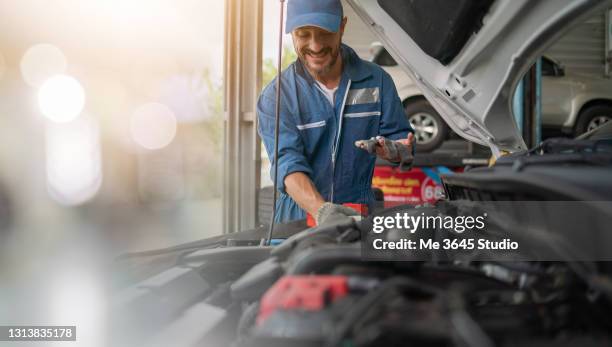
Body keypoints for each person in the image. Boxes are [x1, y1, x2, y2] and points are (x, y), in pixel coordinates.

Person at [257, 0, 414, 225]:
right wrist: (321, 211)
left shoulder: (377, 81)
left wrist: (396, 151)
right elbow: (286, 163)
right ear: (291, 33)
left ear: (342, 26)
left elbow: (401, 141)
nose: (315, 45)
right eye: (303, 34)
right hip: (298, 218)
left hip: (358, 214)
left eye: (324, 33)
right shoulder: (278, 96)